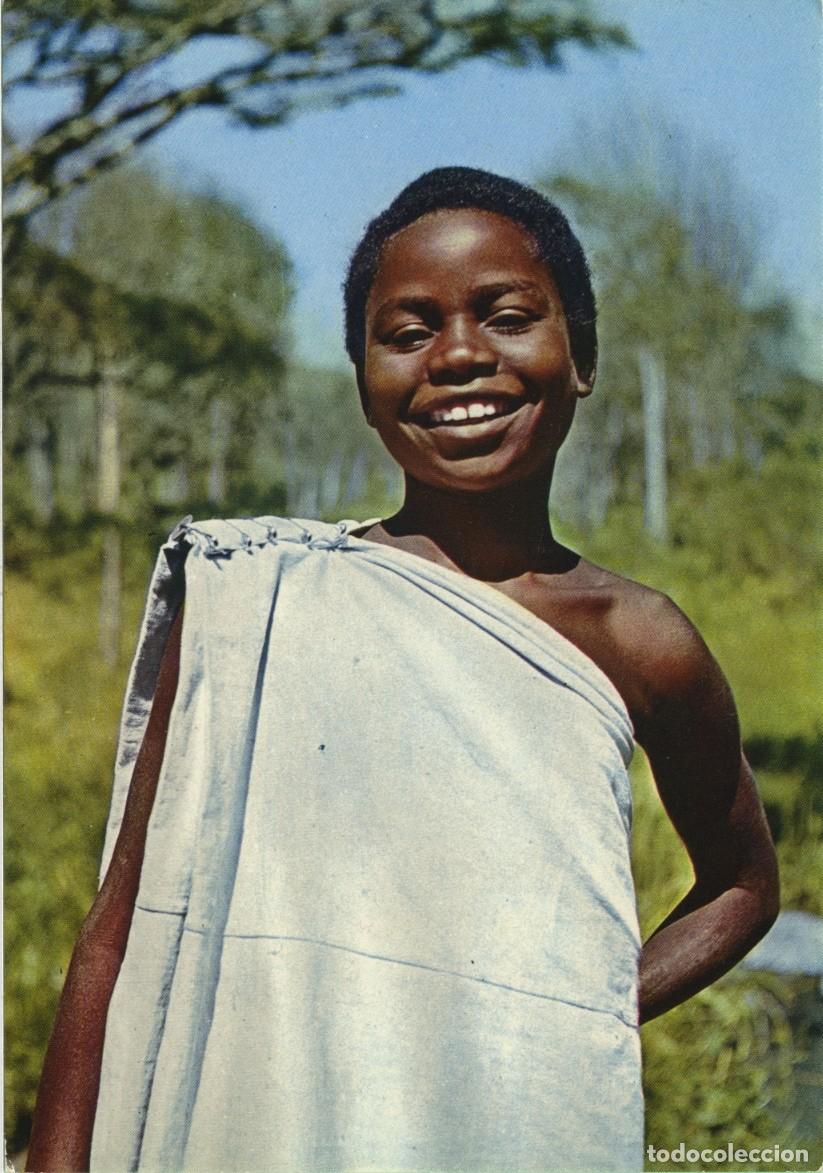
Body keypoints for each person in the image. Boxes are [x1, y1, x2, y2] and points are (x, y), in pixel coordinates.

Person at [27, 167, 779, 1173]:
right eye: (408, 331)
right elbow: (118, 934)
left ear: (581, 354)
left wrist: (576, 1015)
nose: (460, 356)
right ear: (362, 378)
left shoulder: (637, 637)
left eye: (506, 316)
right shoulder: (252, 598)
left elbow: (742, 885)